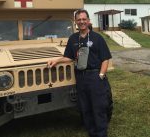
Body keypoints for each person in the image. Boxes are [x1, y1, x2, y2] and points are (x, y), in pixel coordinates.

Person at [48, 9, 112, 137]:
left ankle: (101, 134)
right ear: (75, 22)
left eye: (84, 19)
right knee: (85, 107)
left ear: (88, 21)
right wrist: (58, 60)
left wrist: (101, 75)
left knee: (98, 107)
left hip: (95, 76)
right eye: (79, 20)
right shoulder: (73, 39)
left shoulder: (97, 38)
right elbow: (69, 57)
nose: (82, 22)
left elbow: (105, 58)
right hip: (81, 77)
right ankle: (92, 133)